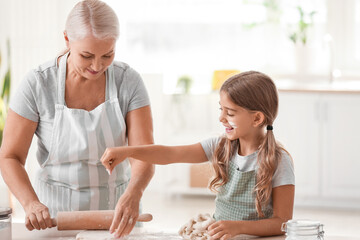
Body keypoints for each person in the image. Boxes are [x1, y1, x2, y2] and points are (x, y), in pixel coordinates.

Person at [0, 0, 154, 238]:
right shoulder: (38, 84)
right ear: (66, 39)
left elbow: (144, 153)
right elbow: (10, 157)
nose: (97, 66)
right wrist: (31, 204)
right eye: (87, 55)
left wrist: (134, 194)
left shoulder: (128, 82)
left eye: (107, 55)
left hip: (118, 215)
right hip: (54, 217)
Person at [101, 71, 295, 239]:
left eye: (230, 112)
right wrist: (128, 151)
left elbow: (283, 222)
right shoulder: (220, 146)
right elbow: (170, 154)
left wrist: (238, 227)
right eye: (221, 109)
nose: (221, 118)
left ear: (257, 118)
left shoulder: (279, 161)